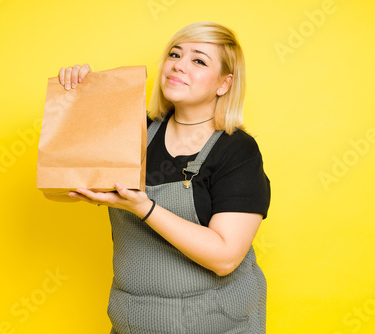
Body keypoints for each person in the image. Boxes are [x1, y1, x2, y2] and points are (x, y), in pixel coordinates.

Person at [47, 21, 270, 333]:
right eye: (175, 55)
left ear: (224, 83)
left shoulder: (237, 151)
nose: (179, 65)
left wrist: (144, 208)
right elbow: (63, 179)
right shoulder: (133, 132)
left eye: (198, 60)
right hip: (132, 322)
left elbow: (225, 257)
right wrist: (79, 96)